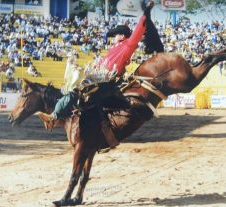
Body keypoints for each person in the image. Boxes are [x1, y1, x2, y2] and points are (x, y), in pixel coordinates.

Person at [38, 0, 163, 148]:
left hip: (106, 81)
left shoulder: (126, 45)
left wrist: (145, 13)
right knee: (72, 92)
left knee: (75, 93)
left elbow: (137, 33)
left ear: (121, 35)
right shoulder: (113, 49)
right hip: (101, 78)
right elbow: (101, 64)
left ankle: (54, 117)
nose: (113, 37)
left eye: (115, 35)